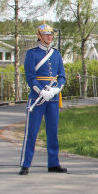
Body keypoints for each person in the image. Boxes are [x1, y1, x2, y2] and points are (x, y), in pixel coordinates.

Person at [19, 22, 67, 175]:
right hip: (37, 98)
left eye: (51, 34)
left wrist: (56, 89)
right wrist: (41, 92)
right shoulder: (32, 54)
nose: (49, 37)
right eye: (46, 35)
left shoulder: (57, 54)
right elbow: (30, 77)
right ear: (39, 36)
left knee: (52, 132)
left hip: (52, 97)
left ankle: (53, 163)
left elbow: (62, 76)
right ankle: (25, 164)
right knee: (31, 132)